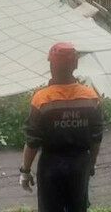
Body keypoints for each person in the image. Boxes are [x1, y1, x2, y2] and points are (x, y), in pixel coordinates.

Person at [19, 42, 104, 212]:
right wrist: (91, 163)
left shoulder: (41, 99)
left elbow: (33, 141)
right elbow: (96, 136)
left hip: (50, 165)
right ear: (75, 65)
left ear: (52, 65)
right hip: (80, 163)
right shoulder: (91, 97)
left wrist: (25, 170)